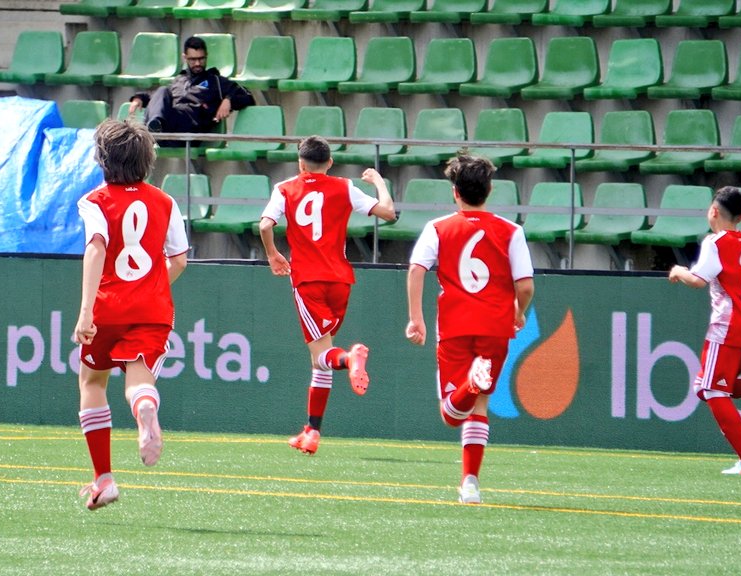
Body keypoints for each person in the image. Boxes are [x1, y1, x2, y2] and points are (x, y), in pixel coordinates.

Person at [405, 154, 534, 505]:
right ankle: (471, 483)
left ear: (454, 193)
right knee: (480, 406)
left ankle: (470, 384)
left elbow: (417, 269)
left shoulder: (438, 227)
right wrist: (519, 313)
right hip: (495, 326)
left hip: (455, 324)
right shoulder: (512, 231)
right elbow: (525, 286)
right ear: (489, 191)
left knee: (451, 413)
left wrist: (415, 318)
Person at [73, 119, 189, 510]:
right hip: (152, 307)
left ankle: (104, 479)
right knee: (139, 377)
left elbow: (96, 248)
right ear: (147, 160)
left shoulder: (94, 201)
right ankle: (145, 412)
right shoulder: (166, 202)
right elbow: (179, 260)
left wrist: (86, 312)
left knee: (92, 383)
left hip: (108, 305)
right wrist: (152, 287)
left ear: (102, 160)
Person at [258, 135, 396, 455]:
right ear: (330, 163)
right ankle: (312, 431)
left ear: (300, 162)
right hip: (341, 280)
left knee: (324, 355)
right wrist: (378, 182)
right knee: (319, 359)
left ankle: (350, 359)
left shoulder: (285, 188)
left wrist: (272, 254)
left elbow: (265, 225)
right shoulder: (345, 187)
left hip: (308, 280)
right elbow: (388, 212)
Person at [668, 186, 741, 475]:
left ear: (713, 211)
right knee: (709, 387)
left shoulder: (715, 242)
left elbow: (697, 280)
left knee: (710, 389)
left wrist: (678, 270)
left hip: (726, 328)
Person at [127, 36, 255, 148]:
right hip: (169, 130)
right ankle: (154, 127)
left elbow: (247, 95)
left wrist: (228, 100)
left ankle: (149, 131)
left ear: (206, 56)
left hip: (190, 130)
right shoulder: (179, 80)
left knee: (163, 95)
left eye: (201, 59)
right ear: (185, 58)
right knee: (162, 90)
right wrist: (139, 99)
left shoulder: (215, 81)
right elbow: (158, 100)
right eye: (193, 60)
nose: (198, 63)